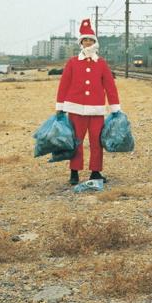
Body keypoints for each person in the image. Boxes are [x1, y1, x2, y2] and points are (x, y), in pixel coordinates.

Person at [55, 18, 121, 185]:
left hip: (96, 110)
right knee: (76, 141)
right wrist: (60, 106)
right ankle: (74, 173)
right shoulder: (72, 62)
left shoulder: (101, 64)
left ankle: (95, 172)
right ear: (81, 43)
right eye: (85, 40)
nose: (88, 42)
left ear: (95, 42)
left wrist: (115, 108)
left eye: (91, 40)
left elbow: (110, 86)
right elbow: (64, 85)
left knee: (96, 142)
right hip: (75, 109)